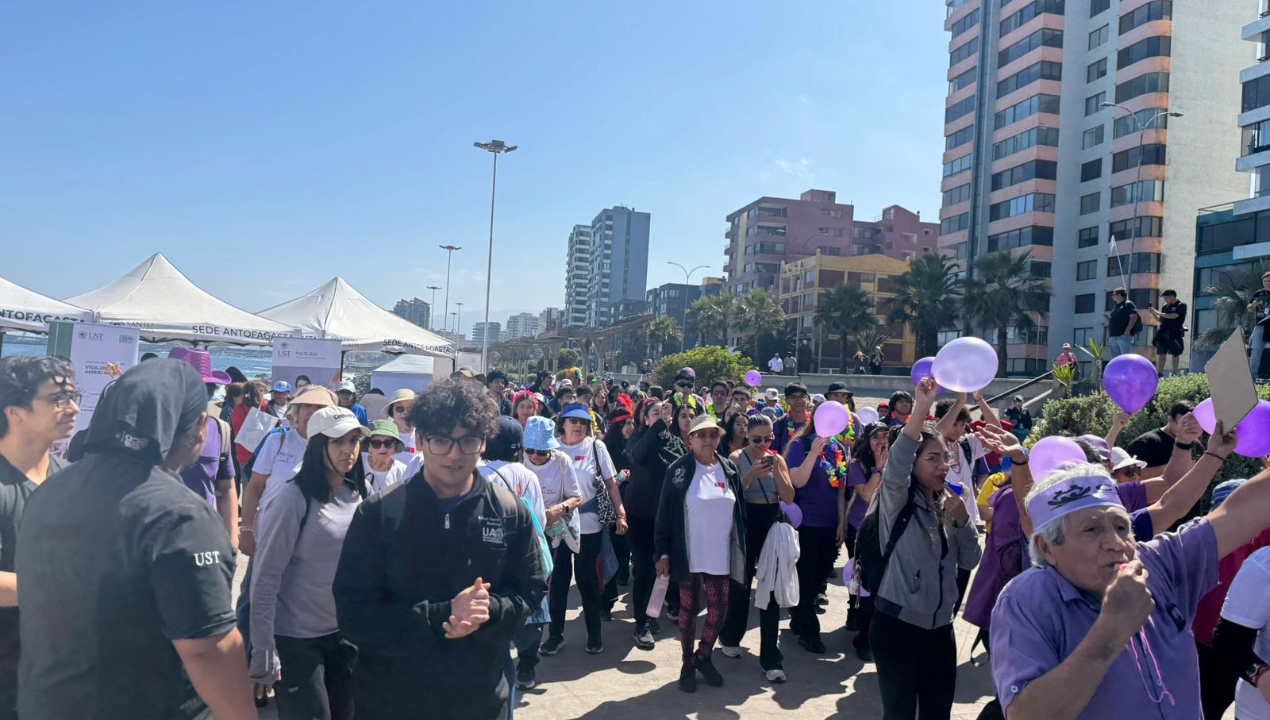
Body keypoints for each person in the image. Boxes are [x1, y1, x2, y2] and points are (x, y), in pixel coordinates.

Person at [16, 360, 255, 720]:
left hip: (47, 701)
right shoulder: (179, 514)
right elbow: (208, 647)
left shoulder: (51, 488)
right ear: (200, 427)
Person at [989, 447, 1270, 719]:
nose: (1116, 543)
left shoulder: (1159, 563)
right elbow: (1025, 714)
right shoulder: (1025, 601)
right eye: (1092, 529)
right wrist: (1113, 629)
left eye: (1122, 527)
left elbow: (1242, 511)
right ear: (1047, 547)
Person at [332, 379, 544, 720]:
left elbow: (530, 592)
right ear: (419, 440)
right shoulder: (379, 514)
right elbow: (353, 614)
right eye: (441, 440)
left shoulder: (509, 512)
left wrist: (488, 611)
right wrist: (442, 615)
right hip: (391, 702)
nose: (455, 454)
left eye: (468, 440)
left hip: (479, 701)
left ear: (483, 443)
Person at [871, 377, 981, 719]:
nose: (943, 466)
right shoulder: (896, 499)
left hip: (941, 629)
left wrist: (963, 522)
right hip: (897, 626)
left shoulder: (949, 503)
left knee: (937, 714)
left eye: (945, 458)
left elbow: (971, 559)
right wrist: (922, 405)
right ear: (914, 465)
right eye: (933, 458)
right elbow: (899, 458)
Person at [250, 406, 368, 720]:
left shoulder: (358, 493)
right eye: (337, 441)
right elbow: (265, 576)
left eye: (354, 440)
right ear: (317, 446)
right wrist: (263, 649)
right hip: (297, 640)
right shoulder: (294, 497)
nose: (348, 449)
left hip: (345, 636)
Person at [0, 357, 79, 720]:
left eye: (73, 396)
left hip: (59, 672)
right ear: (14, 411)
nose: (73, 408)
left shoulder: (73, 480)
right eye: (58, 399)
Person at [654, 414, 746, 693]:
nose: (708, 439)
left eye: (713, 434)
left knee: (718, 610)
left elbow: (740, 513)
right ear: (690, 439)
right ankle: (687, 663)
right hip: (688, 555)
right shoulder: (678, 470)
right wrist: (662, 553)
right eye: (701, 434)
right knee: (688, 610)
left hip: (720, 555)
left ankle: (703, 655)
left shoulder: (729, 469)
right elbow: (664, 515)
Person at [541, 403, 627, 655]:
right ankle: (555, 635)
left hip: (588, 524)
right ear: (563, 423)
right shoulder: (551, 447)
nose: (577, 426)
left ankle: (594, 634)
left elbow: (611, 484)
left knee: (587, 579)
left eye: (582, 422)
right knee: (558, 581)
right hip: (557, 525)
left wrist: (621, 514)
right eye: (572, 421)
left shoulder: (596, 447)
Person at [718, 414, 795, 682]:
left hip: (771, 522)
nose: (763, 445)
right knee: (741, 585)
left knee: (770, 590)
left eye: (768, 439)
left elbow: (789, 497)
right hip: (746, 523)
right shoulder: (736, 458)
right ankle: (730, 636)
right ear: (747, 436)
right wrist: (750, 475)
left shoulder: (778, 459)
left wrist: (776, 471)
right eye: (757, 439)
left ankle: (771, 658)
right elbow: (728, 495)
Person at [478, 417, 549, 692]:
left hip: (489, 556)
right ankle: (527, 667)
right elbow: (540, 520)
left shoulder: (479, 474)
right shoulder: (528, 475)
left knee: (492, 609)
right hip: (524, 554)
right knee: (530, 611)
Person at [240, 386, 336, 557]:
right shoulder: (277, 441)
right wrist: (247, 529)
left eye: (320, 407)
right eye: (307, 405)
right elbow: (254, 487)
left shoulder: (336, 448)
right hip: (269, 536)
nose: (313, 411)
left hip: (313, 543)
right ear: (297, 411)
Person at [625, 399, 689, 649]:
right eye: (655, 413)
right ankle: (640, 624)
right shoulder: (638, 439)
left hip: (667, 520)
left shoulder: (675, 443)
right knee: (644, 569)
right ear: (645, 418)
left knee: (662, 570)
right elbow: (636, 456)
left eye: (664, 413)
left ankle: (651, 615)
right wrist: (654, 429)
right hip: (640, 517)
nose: (661, 417)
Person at [784, 404, 846, 654]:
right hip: (806, 524)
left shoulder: (838, 448)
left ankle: (798, 616)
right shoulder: (800, 445)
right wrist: (813, 454)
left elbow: (840, 489)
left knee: (819, 577)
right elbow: (797, 480)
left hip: (829, 524)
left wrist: (841, 522)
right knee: (807, 579)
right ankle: (809, 633)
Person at [169, 347, 240, 549]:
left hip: (203, 542)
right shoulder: (147, 427)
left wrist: (231, 543)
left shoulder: (220, 430)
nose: (198, 396)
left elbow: (226, 488)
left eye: (206, 389)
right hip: (152, 543)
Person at [839, 421, 888, 661]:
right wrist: (878, 468)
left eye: (885, 436)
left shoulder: (897, 462)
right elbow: (867, 495)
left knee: (877, 581)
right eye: (875, 437)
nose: (881, 441)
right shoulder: (857, 465)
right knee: (862, 578)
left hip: (886, 529)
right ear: (867, 441)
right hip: (861, 529)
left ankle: (861, 619)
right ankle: (862, 634)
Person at [1127, 401, 1197, 480]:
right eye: (1182, 424)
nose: (1186, 429)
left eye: (1190, 425)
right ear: (1170, 420)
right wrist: (1177, 466)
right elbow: (1130, 476)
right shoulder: (1145, 443)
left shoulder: (1195, 444)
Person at [1148, 289, 1188, 377]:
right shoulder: (1165, 307)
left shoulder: (1181, 305)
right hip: (1163, 332)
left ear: (1172, 296)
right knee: (1162, 353)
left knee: (1175, 352)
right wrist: (1153, 314)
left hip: (1174, 332)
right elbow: (1161, 320)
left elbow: (1173, 316)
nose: (1165, 300)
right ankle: (1160, 372)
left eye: (1166, 298)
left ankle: (1174, 372)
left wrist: (1158, 312)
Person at [363, 419, 408, 495]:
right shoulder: (358, 469)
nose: (382, 447)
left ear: (395, 447)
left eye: (388, 443)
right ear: (369, 447)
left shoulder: (404, 472)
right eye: (376, 443)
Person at [384, 388, 423, 475]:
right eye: (400, 409)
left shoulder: (422, 436)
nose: (405, 413)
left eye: (410, 409)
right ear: (392, 412)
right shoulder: (383, 436)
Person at [231, 379, 267, 467]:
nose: (261, 394)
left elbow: (237, 432)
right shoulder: (265, 406)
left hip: (244, 454)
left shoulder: (238, 409)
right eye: (260, 391)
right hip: (258, 454)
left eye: (262, 391)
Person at [773, 382, 811, 454]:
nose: (799, 400)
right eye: (794, 397)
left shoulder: (816, 423)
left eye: (802, 396)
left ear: (807, 399)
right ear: (786, 401)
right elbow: (772, 453)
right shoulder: (779, 425)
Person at [1106, 287, 1139, 359]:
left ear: (1119, 295)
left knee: (1124, 357)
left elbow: (1133, 317)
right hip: (1113, 335)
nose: (1112, 297)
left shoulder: (1128, 304)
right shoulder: (1115, 307)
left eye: (1114, 294)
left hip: (1123, 335)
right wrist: (1109, 319)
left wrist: (1128, 330)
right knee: (1116, 358)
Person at [1248, 271, 1270, 379]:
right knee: (1256, 350)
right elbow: (1249, 308)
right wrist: (1253, 305)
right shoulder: (1258, 293)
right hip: (1261, 325)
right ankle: (1252, 377)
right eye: (1265, 281)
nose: (1267, 283)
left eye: (1269, 281)